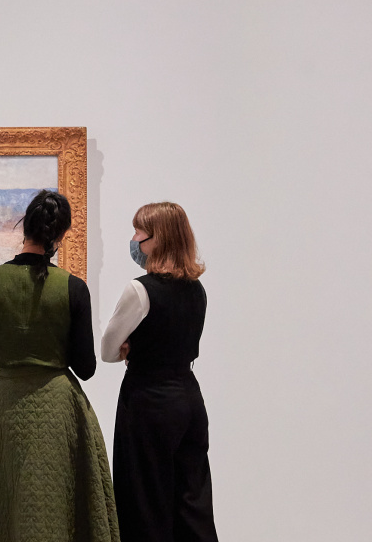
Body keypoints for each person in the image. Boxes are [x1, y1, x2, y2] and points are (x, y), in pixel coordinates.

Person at [0, 190, 120, 542]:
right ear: (60, 235)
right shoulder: (73, 288)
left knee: (5, 505)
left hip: (6, 407)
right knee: (56, 508)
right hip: (57, 411)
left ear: (25, 228)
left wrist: (12, 342)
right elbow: (86, 367)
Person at [101, 202, 218, 542]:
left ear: (158, 239)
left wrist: (131, 347)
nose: (134, 239)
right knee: (193, 502)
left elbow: (108, 349)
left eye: (139, 232)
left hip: (148, 402)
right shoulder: (197, 290)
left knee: (145, 502)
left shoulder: (140, 290)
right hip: (189, 398)